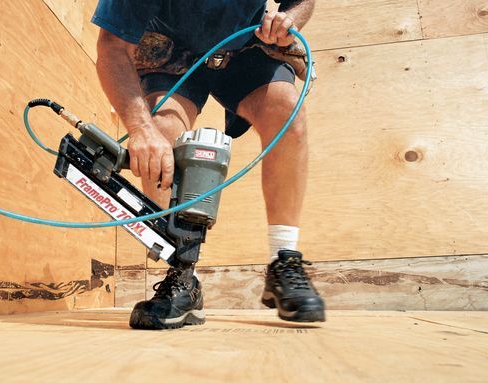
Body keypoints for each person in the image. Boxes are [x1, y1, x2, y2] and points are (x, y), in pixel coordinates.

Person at [92, 0, 325, 329]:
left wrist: (289, 21)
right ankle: (182, 273)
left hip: (248, 45)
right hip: (171, 51)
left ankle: (284, 258)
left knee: (287, 114)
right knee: (162, 133)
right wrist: (141, 129)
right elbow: (112, 47)